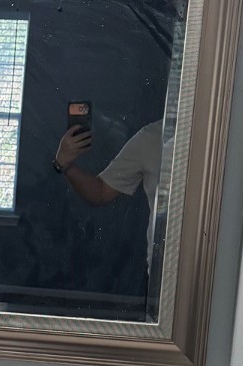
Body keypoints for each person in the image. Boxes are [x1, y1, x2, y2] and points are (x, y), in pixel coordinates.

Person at [53, 117, 165, 273]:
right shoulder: (151, 137)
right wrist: (65, 164)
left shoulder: (210, 139)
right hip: (163, 271)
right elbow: (101, 192)